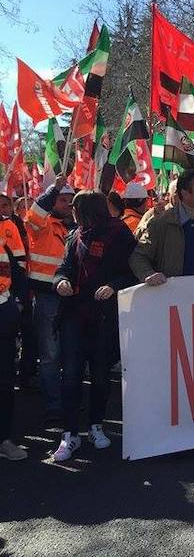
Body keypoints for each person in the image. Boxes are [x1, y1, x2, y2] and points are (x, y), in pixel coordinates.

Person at [51, 192, 137, 462]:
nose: (72, 212)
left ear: (86, 210)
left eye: (75, 207)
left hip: (104, 318)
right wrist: (61, 281)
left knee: (100, 375)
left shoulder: (120, 233)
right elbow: (63, 267)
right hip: (74, 316)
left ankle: (96, 426)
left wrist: (113, 286)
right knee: (72, 375)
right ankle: (69, 433)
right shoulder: (75, 235)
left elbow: (132, 271)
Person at [26, 175, 75, 423]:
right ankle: (54, 405)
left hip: (71, 299)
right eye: (63, 200)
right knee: (50, 355)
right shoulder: (41, 226)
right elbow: (34, 215)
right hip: (47, 298)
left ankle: (69, 401)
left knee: (70, 352)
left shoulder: (75, 228)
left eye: (71, 199)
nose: (69, 204)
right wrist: (53, 189)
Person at [0, 215, 28, 460]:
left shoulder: (3, 238)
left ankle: (4, 439)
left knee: (5, 383)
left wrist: (16, 304)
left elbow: (15, 274)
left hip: (2, 318)